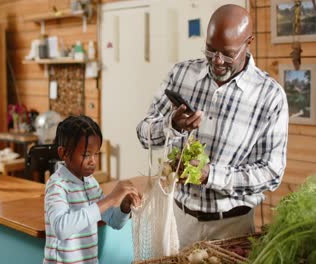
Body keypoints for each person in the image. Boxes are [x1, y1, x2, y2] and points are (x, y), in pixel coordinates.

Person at [136, 4, 288, 249]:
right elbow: (143, 133)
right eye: (210, 50)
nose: (217, 61)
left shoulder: (270, 96)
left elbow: (271, 173)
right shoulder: (181, 74)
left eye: (227, 53)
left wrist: (210, 175)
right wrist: (171, 125)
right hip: (179, 220)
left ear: (249, 42)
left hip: (232, 227)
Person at [44, 115, 141, 263]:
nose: (93, 161)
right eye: (85, 155)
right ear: (63, 153)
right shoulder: (57, 185)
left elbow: (114, 221)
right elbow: (61, 228)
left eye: (96, 154)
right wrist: (110, 199)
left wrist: (124, 207)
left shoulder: (90, 183)